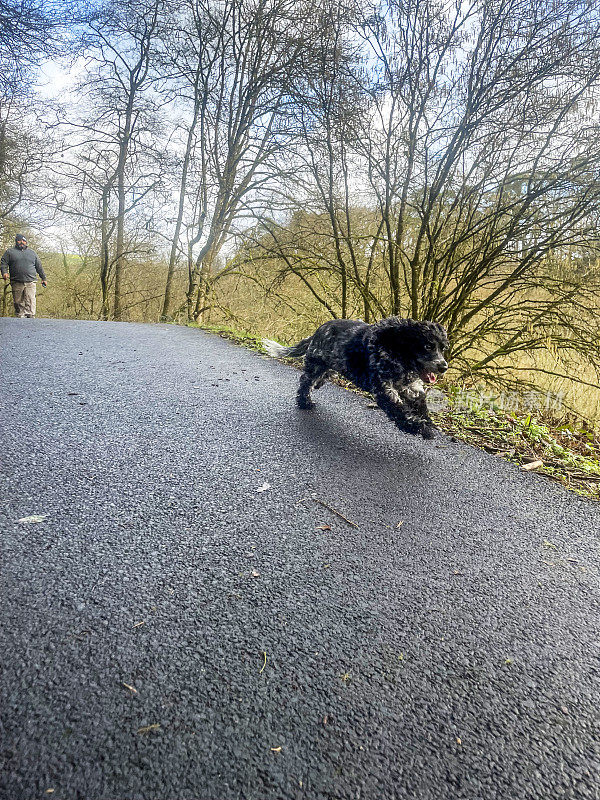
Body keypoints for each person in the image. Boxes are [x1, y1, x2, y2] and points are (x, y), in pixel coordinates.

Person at [1, 234, 47, 318]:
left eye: (24, 241)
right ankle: (20, 318)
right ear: (16, 241)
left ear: (26, 242)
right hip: (16, 281)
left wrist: (43, 278)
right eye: (19, 240)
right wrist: (4, 272)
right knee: (18, 302)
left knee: (30, 300)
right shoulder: (10, 252)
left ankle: (30, 318)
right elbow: (3, 263)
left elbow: (39, 266)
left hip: (30, 281)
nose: (22, 242)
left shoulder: (32, 253)